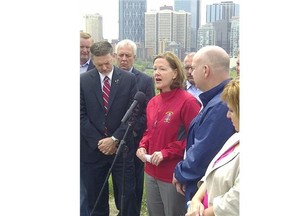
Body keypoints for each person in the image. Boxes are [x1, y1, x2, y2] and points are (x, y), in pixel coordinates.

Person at [136, 51, 201, 216]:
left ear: (175, 73)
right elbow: (149, 132)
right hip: (150, 172)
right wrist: (143, 146)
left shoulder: (188, 102)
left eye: (162, 69)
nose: (156, 73)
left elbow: (194, 140)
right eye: (154, 68)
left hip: (173, 176)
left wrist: (166, 153)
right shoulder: (152, 102)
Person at [80, 40, 139, 216]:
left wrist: (114, 139)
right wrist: (100, 142)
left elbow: (133, 114)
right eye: (99, 65)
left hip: (121, 149)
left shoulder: (129, 80)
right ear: (93, 61)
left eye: (107, 63)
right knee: (95, 200)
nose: (104, 68)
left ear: (112, 57)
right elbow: (79, 115)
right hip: (93, 150)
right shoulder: (83, 81)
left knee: (127, 198)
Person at [172, 45, 236, 205]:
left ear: (206, 70)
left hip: (208, 193)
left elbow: (204, 151)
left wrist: (180, 173)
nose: (191, 73)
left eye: (193, 68)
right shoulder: (214, 99)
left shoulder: (220, 105)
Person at [185, 78, 240, 216]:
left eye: (231, 111)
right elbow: (212, 172)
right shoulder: (235, 138)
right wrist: (196, 200)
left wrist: (200, 214)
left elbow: (235, 202)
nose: (227, 115)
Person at [114, 39, 155, 215]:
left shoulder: (145, 81)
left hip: (134, 142)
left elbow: (148, 113)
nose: (124, 59)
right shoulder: (109, 78)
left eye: (127, 56)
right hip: (112, 143)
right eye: (121, 55)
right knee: (118, 188)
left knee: (134, 187)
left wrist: (130, 131)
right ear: (115, 56)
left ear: (134, 57)